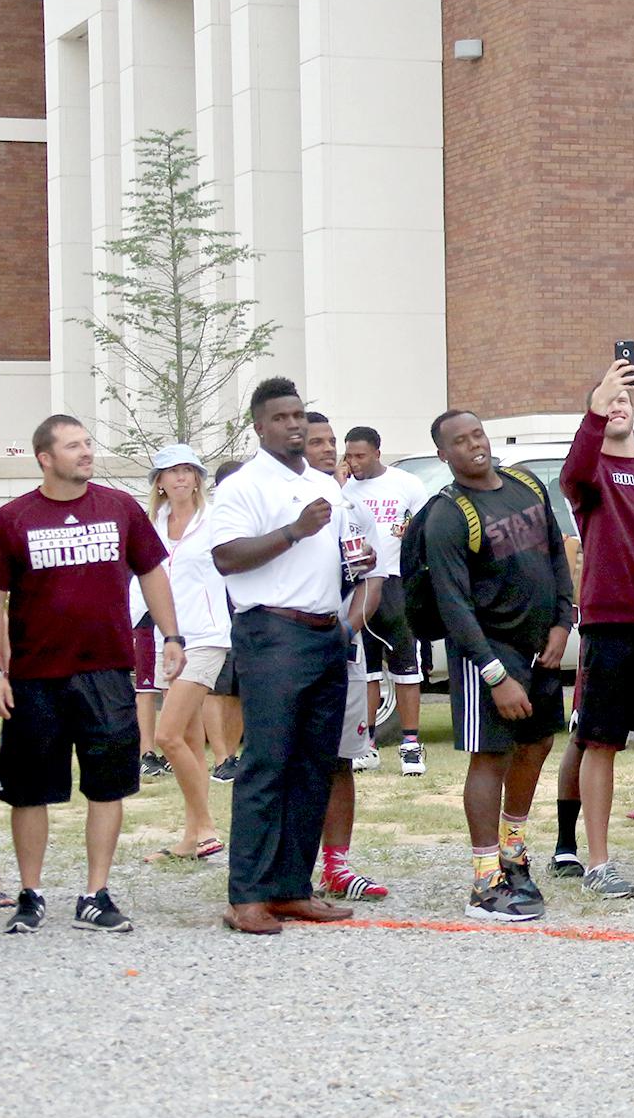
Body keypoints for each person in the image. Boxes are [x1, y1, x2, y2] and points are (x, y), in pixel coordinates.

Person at [0, 415, 174, 934]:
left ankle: (95, 894)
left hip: (107, 671)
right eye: (73, 446)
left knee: (107, 787)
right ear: (45, 458)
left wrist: (171, 636)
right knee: (28, 791)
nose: (86, 452)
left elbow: (152, 570)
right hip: (34, 676)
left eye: (87, 443)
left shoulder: (120, 508)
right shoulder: (12, 518)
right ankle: (31, 892)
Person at [209, 378, 366, 936]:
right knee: (267, 765)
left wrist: (357, 559)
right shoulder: (245, 486)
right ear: (259, 426)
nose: (294, 425)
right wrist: (294, 532)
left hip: (326, 631)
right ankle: (246, 895)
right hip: (273, 632)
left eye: (299, 415)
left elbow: (342, 551)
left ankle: (291, 887)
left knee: (313, 766)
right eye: (281, 417)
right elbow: (227, 557)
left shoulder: (325, 482)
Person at [422, 409, 572, 922]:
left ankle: (513, 852)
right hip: (488, 652)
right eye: (459, 442)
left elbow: (557, 554)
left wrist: (562, 621)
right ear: (444, 455)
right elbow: (453, 605)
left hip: (542, 644)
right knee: (490, 754)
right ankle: (485, 881)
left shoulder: (525, 484)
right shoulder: (448, 514)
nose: (473, 446)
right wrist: (495, 674)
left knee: (537, 743)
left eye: (477, 434)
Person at [560, 360, 634, 898]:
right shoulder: (591, 473)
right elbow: (573, 473)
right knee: (600, 742)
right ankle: (599, 863)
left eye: (625, 400)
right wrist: (596, 405)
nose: (618, 407)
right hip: (610, 625)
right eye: (608, 402)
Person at [300, 415, 387, 901]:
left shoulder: (353, 507)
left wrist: (347, 630)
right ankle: (288, 864)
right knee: (291, 759)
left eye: (332, 441)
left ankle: (337, 866)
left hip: (341, 650)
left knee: (340, 761)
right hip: (288, 647)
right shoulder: (278, 503)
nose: (329, 450)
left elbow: (372, 581)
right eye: (318, 442)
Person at [141, 445, 229, 864]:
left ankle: (208, 827)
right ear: (158, 482)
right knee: (190, 740)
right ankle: (192, 836)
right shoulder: (151, 526)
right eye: (170, 472)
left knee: (166, 735)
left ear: (197, 478)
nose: (179, 479)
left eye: (187, 471)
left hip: (208, 637)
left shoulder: (215, 522)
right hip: (167, 639)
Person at [342, 426, 431, 775]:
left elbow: (422, 532)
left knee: (407, 668)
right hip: (360, 585)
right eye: (349, 455)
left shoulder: (407, 485)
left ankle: (410, 744)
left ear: (378, 453)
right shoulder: (344, 490)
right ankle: (367, 745)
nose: (353, 462)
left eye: (360, 455)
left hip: (397, 584)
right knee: (366, 671)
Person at [207, 458, 245, 783]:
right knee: (213, 689)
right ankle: (219, 757)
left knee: (236, 689)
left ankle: (232, 755)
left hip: (243, 612)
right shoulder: (209, 520)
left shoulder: (250, 519)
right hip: (211, 616)